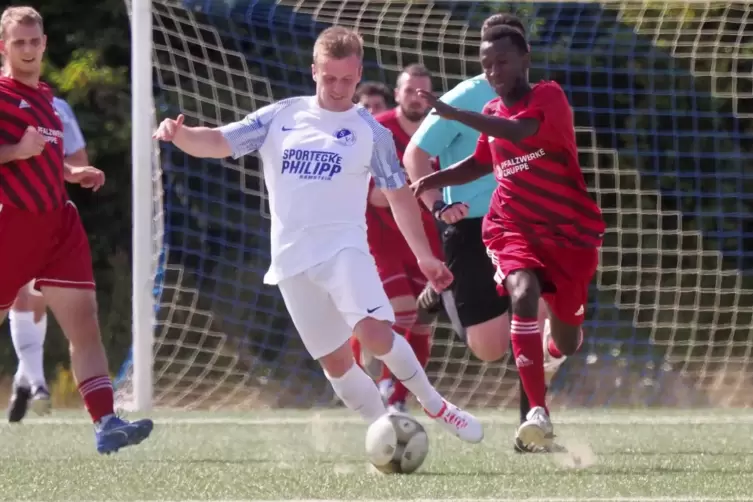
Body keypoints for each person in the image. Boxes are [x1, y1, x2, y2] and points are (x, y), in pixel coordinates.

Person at [153, 26, 483, 444]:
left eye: (348, 79)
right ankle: (387, 433)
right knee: (337, 367)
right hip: (291, 261)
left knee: (374, 332)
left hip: (344, 249)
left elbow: (399, 197)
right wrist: (180, 135)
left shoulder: (371, 132)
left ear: (359, 73)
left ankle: (437, 406)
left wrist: (423, 255)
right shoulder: (281, 116)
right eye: (330, 78)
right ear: (314, 71)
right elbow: (220, 140)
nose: (339, 88)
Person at [412, 22, 604, 451]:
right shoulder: (493, 113)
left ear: (525, 59)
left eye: (502, 61)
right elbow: (481, 161)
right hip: (511, 226)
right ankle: (538, 411)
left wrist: (456, 114)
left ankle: (554, 346)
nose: (494, 70)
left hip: (567, 235)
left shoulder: (549, 98)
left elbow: (519, 134)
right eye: (487, 64)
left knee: (568, 340)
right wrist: (432, 180)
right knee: (521, 292)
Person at [0, 6, 153, 453]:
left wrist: (70, 172)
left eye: (34, 41)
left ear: (45, 43)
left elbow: (42, 156)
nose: (28, 50)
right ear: (4, 47)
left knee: (84, 325)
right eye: (18, 43)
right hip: (14, 222)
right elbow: (19, 153)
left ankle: (106, 422)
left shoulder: (48, 97)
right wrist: (15, 151)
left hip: (59, 224)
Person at [349, 63, 441, 412]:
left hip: (427, 238)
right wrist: (405, 183)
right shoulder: (377, 129)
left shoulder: (441, 130)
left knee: (422, 323)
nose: (417, 97)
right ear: (397, 93)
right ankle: (383, 379)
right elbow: (373, 196)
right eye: (409, 90)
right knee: (402, 311)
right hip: (382, 240)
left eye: (424, 91)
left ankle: (397, 400)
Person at [7, 94, 90, 423]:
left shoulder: (57, 108)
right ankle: (34, 382)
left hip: (43, 211)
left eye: (32, 42)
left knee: (31, 295)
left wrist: (56, 169)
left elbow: (77, 158)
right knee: (18, 293)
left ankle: (29, 381)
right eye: (18, 43)